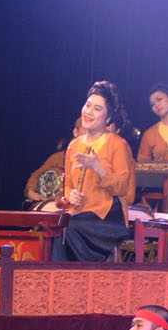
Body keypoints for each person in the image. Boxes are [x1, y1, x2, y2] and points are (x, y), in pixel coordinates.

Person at [49, 81, 136, 262]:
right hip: (78, 216)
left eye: (97, 109)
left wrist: (98, 168)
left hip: (107, 219)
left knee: (68, 228)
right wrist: (70, 196)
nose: (89, 112)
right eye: (88, 105)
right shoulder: (73, 146)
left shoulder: (118, 144)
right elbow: (66, 188)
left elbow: (122, 188)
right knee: (57, 226)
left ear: (108, 117)